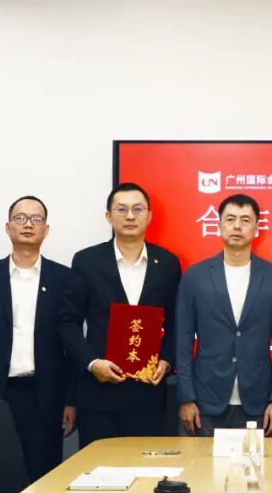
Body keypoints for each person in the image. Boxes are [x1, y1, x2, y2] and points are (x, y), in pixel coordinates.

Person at [0, 195, 75, 482]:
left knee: (43, 482)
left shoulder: (64, 279)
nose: (28, 225)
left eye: (36, 219)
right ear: (7, 227)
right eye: (20, 218)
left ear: (46, 229)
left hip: (44, 396)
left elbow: (71, 346)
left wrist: (71, 400)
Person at [58, 183, 182, 448]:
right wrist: (92, 363)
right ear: (108, 216)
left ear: (149, 216)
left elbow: (176, 323)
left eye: (138, 209)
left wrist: (166, 361)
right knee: (98, 469)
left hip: (148, 396)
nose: (130, 216)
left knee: (146, 469)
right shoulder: (87, 261)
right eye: (121, 209)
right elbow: (68, 322)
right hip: (98, 394)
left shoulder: (168, 263)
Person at [176, 193, 272, 437]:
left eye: (245, 220)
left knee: (257, 464)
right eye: (230, 219)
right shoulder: (195, 276)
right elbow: (182, 342)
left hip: (259, 402)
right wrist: (186, 398)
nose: (237, 226)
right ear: (219, 225)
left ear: (257, 229)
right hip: (204, 401)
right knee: (201, 463)